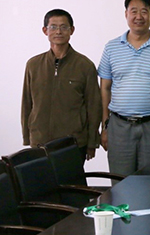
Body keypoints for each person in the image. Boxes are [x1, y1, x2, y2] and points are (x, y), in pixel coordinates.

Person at [98, 0, 150, 176]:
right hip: (119, 126)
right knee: (120, 182)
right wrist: (105, 126)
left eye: (144, 11)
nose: (139, 16)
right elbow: (105, 88)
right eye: (134, 11)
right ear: (126, 14)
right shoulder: (111, 47)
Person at [21, 9, 102, 162]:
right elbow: (27, 103)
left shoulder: (85, 65)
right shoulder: (33, 65)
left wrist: (92, 142)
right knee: (41, 178)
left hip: (74, 143)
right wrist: (27, 136)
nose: (58, 31)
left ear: (72, 30)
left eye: (64, 27)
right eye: (53, 27)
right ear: (45, 30)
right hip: (40, 141)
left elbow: (94, 106)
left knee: (71, 179)